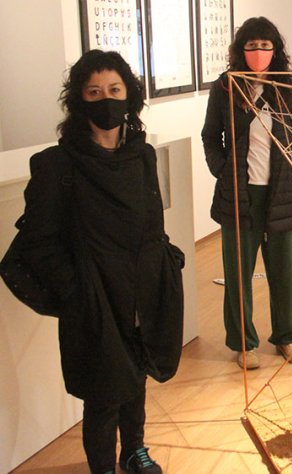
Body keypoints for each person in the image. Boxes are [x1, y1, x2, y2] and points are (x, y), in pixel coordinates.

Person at [7, 49, 184, 474]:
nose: (106, 99)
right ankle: (103, 466)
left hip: (141, 289)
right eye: (94, 91)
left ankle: (134, 451)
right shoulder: (57, 164)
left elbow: (150, 222)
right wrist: (75, 290)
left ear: (130, 96)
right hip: (94, 297)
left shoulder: (141, 154)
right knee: (103, 393)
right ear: (79, 100)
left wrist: (164, 261)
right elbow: (37, 243)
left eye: (115, 89)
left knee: (137, 375)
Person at [202, 17, 292, 370]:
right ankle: (243, 343)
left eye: (265, 45)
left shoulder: (286, 87)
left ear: (275, 50)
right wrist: (222, 170)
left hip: (280, 190)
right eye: (251, 45)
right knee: (238, 272)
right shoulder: (226, 86)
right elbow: (210, 135)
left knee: (286, 270)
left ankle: (288, 336)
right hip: (239, 191)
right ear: (240, 50)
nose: (259, 52)